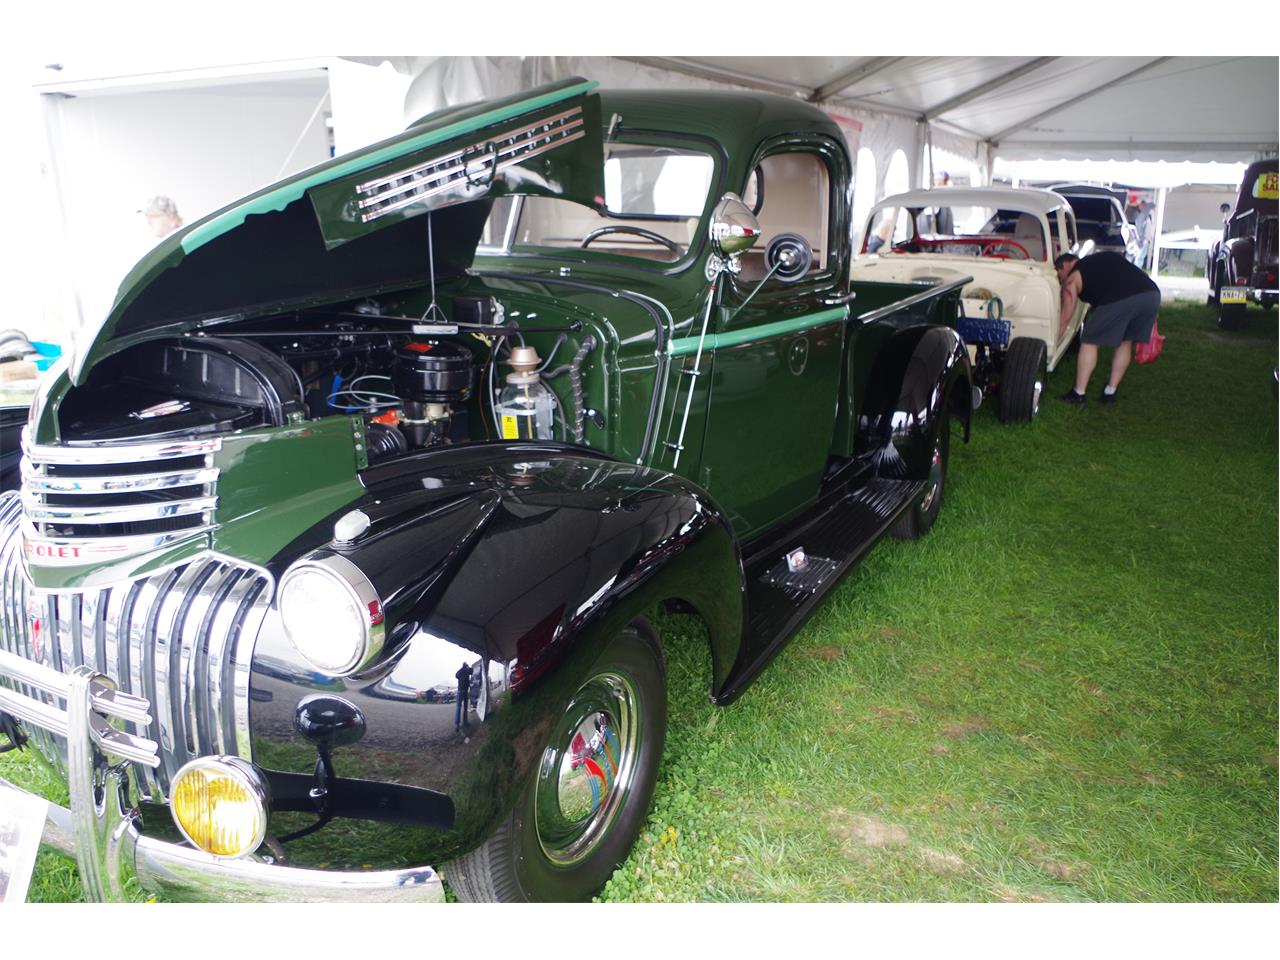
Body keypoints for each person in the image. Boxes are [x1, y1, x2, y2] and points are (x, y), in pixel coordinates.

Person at [1055, 251, 1160, 406]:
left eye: (1059, 275)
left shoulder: (1072, 277)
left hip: (1123, 297)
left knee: (1090, 340)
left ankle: (1078, 394)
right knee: (1126, 341)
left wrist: (1052, 345)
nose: (1060, 281)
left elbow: (1065, 317)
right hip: (1151, 295)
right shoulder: (1096, 261)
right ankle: (1110, 393)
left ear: (1063, 266)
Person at [454, 661, 473, 729]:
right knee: (465, 708)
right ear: (466, 665)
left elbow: (456, 676)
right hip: (465, 691)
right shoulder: (467, 670)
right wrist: (468, 667)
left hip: (459, 691)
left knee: (458, 707)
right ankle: (465, 722)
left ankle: (457, 724)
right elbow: (472, 671)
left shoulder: (459, 671)